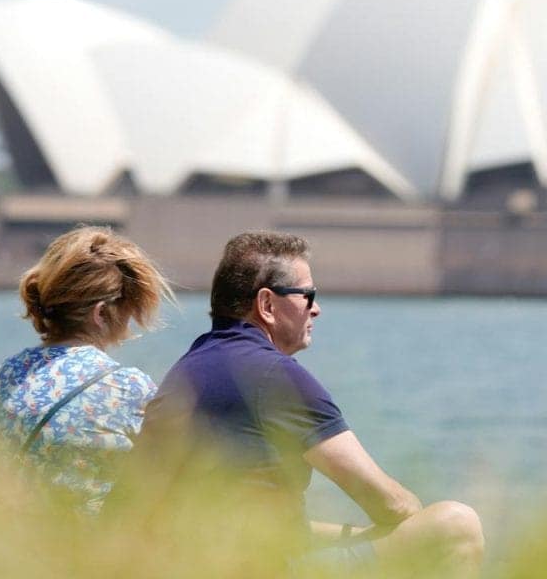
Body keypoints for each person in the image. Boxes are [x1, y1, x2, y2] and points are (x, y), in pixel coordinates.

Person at [133, 230, 483, 576]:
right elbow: (391, 505)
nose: (316, 309)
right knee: (456, 526)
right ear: (267, 305)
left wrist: (361, 536)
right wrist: (412, 526)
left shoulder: (187, 369)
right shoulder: (274, 376)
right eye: (307, 295)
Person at [0, 225, 172, 513]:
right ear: (101, 313)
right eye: (129, 307)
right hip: (93, 540)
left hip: (16, 536)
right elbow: (171, 474)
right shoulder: (127, 387)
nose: (130, 320)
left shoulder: (10, 373)